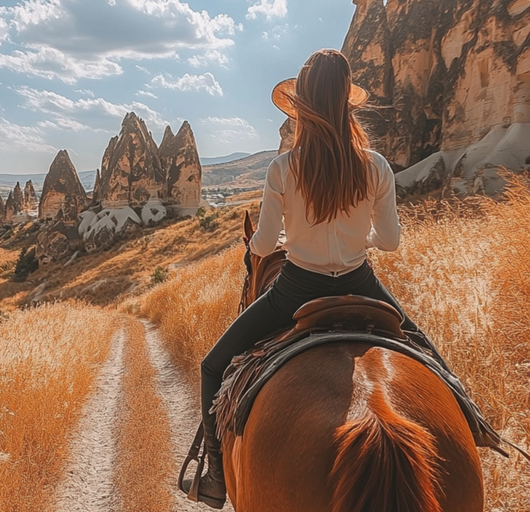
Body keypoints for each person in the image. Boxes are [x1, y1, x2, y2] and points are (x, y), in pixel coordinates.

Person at [181, 48, 442, 509]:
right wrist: (354, 235)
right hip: (361, 284)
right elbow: (390, 243)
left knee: (212, 366)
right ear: (346, 102)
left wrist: (286, 236)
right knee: (429, 355)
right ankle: (476, 424)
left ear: (302, 107)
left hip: (295, 290)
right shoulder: (376, 165)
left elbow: (261, 245)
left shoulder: (283, 167)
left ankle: (216, 477)